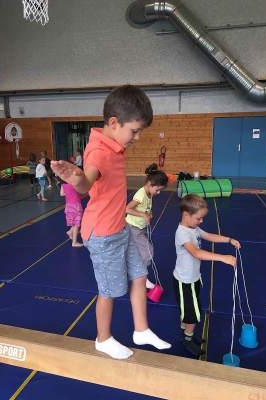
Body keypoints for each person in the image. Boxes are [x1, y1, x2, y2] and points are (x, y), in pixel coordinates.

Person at [51, 85, 171, 360]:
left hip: (120, 226)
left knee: (140, 276)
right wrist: (76, 178)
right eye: (135, 131)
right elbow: (87, 180)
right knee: (110, 291)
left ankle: (141, 330)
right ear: (114, 123)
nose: (137, 137)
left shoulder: (114, 143)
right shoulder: (99, 152)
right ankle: (103, 339)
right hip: (103, 233)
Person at [174, 194, 240, 356]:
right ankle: (187, 340)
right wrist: (222, 258)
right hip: (184, 282)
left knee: (188, 311)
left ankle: (185, 334)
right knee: (194, 314)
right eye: (199, 218)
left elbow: (209, 236)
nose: (201, 221)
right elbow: (196, 252)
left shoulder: (193, 227)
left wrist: (228, 240)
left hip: (194, 278)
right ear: (186, 215)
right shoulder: (182, 234)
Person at [126, 163, 168, 289]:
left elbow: (147, 207)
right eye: (157, 189)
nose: (159, 192)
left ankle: (136, 273)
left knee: (139, 253)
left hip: (140, 228)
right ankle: (142, 278)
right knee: (148, 252)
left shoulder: (149, 193)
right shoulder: (141, 194)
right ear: (149, 184)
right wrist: (143, 215)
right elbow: (127, 209)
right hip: (133, 228)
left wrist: (149, 213)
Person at [60, 180, 84, 247]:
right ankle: (74, 242)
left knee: (74, 221)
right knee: (77, 224)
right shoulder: (74, 184)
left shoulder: (63, 185)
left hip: (68, 206)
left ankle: (70, 231)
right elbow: (82, 191)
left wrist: (68, 193)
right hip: (76, 205)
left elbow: (61, 194)